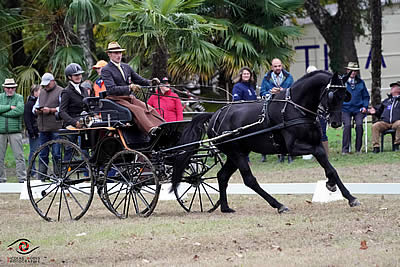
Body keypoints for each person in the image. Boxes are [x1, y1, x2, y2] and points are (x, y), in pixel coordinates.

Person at [102, 41, 164, 134]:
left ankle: (163, 126)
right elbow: (111, 89)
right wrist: (129, 88)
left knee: (149, 108)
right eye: (116, 53)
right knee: (138, 110)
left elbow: (140, 80)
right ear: (109, 55)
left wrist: (151, 82)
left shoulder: (126, 67)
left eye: (120, 52)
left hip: (129, 98)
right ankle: (151, 130)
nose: (119, 55)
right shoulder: (106, 70)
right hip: (116, 99)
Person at [260, 58, 294, 163]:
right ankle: (280, 155)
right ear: (271, 67)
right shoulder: (266, 78)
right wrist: (271, 92)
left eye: (279, 66)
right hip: (272, 107)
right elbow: (262, 93)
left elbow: (293, 90)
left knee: (289, 131)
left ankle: (290, 155)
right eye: (275, 66)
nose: (277, 68)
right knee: (275, 131)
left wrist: (283, 91)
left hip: (286, 107)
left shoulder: (289, 77)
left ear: (282, 66)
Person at [34, 72, 63, 181]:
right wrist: (37, 110)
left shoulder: (60, 91)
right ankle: (42, 176)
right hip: (43, 128)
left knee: (56, 154)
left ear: (53, 81)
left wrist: (51, 110)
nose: (46, 86)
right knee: (43, 153)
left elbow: (63, 108)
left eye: (47, 84)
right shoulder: (42, 92)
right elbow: (35, 106)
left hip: (56, 127)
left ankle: (58, 176)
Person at [231, 67, 261, 162]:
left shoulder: (251, 87)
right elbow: (236, 101)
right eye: (244, 74)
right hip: (243, 116)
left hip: (252, 114)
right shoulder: (237, 86)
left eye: (248, 74)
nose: (246, 75)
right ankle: (245, 159)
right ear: (241, 75)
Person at [0, 78, 26, 183]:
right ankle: (1, 179)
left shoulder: (19, 97)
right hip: (1, 132)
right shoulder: (0, 97)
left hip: (15, 132)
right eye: (8, 87)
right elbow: (14, 110)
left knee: (19, 157)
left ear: (14, 88)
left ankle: (22, 179)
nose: (10, 89)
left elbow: (19, 111)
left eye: (12, 88)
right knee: (0, 157)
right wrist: (10, 107)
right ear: (4, 88)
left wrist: (3, 112)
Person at [341, 62, 370, 154]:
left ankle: (358, 149)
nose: (353, 72)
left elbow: (366, 96)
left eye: (355, 71)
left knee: (359, 125)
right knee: (347, 125)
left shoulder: (361, 82)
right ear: (347, 71)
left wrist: (365, 106)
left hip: (358, 109)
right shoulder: (342, 81)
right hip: (345, 108)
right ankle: (345, 149)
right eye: (351, 70)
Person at [369, 81, 400, 153]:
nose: (392, 88)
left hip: (396, 122)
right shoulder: (387, 101)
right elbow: (379, 111)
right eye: (392, 87)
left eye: (394, 87)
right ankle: (376, 147)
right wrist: (374, 112)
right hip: (385, 122)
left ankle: (396, 144)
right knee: (375, 126)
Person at [24, 84, 40, 174]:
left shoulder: (41, 102)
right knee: (33, 151)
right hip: (34, 131)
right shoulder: (29, 104)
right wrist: (31, 132)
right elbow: (27, 119)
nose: (39, 93)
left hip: (41, 130)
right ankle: (32, 171)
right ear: (33, 92)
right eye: (37, 91)